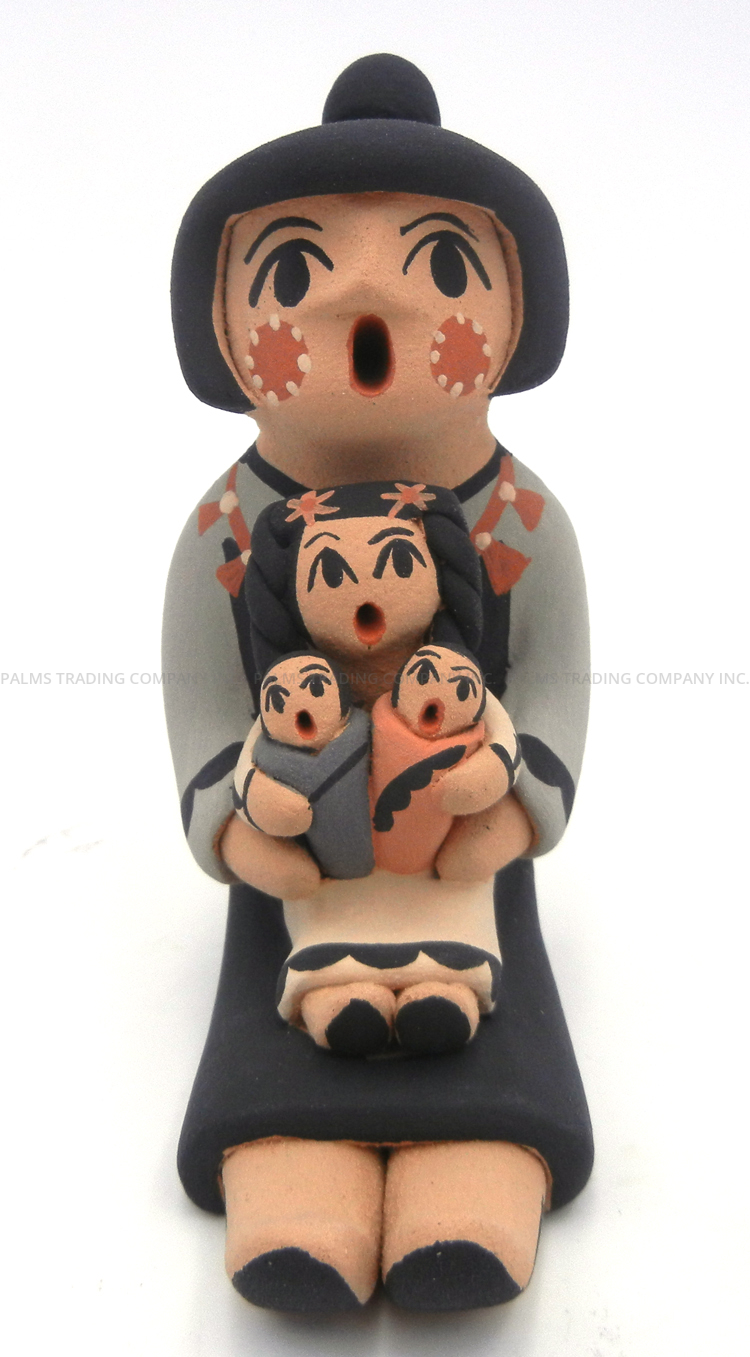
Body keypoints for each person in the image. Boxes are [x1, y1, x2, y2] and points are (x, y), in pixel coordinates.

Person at [164, 52, 593, 1313]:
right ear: (220, 324)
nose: (364, 303)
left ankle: (479, 1167)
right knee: (275, 1014)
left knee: (497, 1007)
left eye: (441, 268)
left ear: (517, 309)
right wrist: (233, 818)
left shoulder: (523, 524)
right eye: (295, 273)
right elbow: (200, 697)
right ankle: (293, 1181)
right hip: (297, 844)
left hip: (462, 844)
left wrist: (518, 807)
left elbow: (557, 682)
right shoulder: (225, 532)